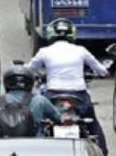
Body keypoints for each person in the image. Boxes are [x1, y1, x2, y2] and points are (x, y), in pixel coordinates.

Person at [26, 18, 108, 155]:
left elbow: (28, 70)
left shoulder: (44, 51)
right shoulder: (81, 50)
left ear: (51, 34)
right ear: (72, 33)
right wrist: (102, 72)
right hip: (79, 96)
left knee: (40, 122)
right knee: (93, 124)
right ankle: (104, 152)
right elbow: (101, 70)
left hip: (52, 95)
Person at [0, 65, 61, 137]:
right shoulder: (40, 100)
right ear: (30, 82)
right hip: (35, 146)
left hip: (4, 147)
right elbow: (58, 118)